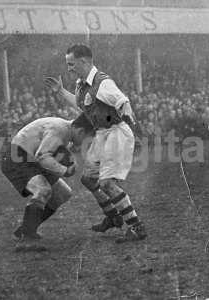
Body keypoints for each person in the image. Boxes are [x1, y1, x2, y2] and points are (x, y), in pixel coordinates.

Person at [44, 44, 147, 243]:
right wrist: (60, 91)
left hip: (117, 133)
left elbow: (123, 101)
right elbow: (81, 104)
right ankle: (113, 217)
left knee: (107, 184)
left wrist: (131, 120)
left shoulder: (102, 82)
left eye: (71, 64)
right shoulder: (82, 84)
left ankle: (136, 226)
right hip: (102, 134)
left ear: (84, 61)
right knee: (89, 179)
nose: (69, 68)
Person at [1, 114, 94, 240]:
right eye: (87, 138)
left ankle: (25, 229)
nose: (86, 142)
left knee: (63, 193)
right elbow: (42, 156)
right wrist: (64, 170)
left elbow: (46, 154)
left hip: (30, 158)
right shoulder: (59, 129)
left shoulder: (64, 130)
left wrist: (67, 162)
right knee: (43, 190)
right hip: (17, 156)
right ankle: (27, 236)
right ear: (81, 131)